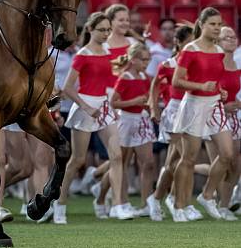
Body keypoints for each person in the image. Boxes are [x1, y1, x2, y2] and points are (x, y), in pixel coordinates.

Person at [54, 13, 133, 224]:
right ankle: (59, 203)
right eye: (102, 30)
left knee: (116, 156)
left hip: (104, 106)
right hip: (85, 107)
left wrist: (130, 56)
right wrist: (86, 107)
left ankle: (117, 205)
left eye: (108, 30)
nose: (107, 33)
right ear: (90, 30)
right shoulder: (82, 55)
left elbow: (113, 76)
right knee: (77, 160)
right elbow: (68, 88)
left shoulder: (108, 52)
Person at [172, 7, 231, 222]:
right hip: (194, 105)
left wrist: (220, 90)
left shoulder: (218, 51)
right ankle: (179, 206)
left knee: (227, 154)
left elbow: (216, 78)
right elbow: (176, 82)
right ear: (202, 24)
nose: (217, 28)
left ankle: (207, 195)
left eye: (219, 24)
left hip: (214, 105)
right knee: (188, 158)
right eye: (212, 24)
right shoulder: (190, 49)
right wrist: (200, 86)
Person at [147, 24, 194, 222]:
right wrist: (153, 107)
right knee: (180, 158)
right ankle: (176, 203)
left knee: (180, 160)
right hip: (175, 111)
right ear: (179, 42)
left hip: (193, 109)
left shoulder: (196, 63)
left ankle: (162, 198)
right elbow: (155, 86)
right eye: (189, 42)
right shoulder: (167, 64)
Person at [111, 43, 156, 217]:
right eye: (143, 59)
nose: (146, 63)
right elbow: (113, 102)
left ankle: (146, 203)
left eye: (148, 59)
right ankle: (121, 202)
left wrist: (147, 105)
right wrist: (133, 102)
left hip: (141, 120)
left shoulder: (144, 76)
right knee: (122, 163)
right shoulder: (125, 77)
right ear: (133, 60)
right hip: (126, 121)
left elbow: (144, 98)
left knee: (148, 163)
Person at [217, 26, 241, 218]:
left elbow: (234, 94)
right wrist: (223, 108)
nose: (232, 40)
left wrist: (236, 104)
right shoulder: (215, 63)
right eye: (227, 37)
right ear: (218, 41)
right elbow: (202, 93)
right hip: (214, 117)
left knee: (235, 163)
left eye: (234, 37)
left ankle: (224, 204)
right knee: (224, 160)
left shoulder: (235, 62)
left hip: (232, 118)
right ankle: (215, 200)